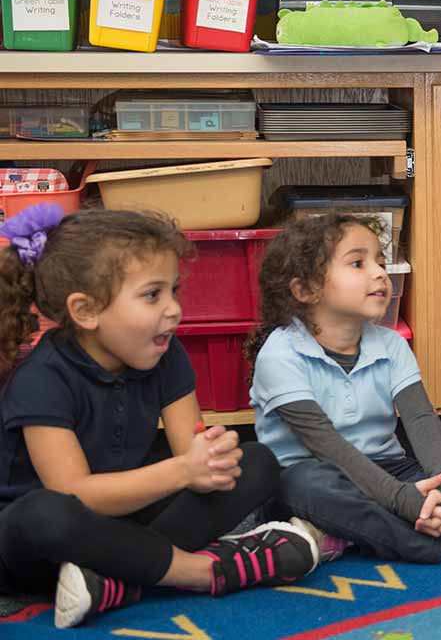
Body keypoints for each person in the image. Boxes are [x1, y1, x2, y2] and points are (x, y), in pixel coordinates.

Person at [0, 206, 318, 630]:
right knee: (44, 513)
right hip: (43, 545)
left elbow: (192, 452)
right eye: (153, 295)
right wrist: (183, 471)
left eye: (174, 291)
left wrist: (211, 459)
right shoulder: (41, 378)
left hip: (122, 519)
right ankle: (202, 572)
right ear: (86, 310)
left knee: (256, 461)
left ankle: (117, 580)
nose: (173, 310)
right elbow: (75, 493)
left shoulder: (165, 353)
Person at [248, 213, 441, 564]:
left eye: (381, 261)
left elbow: (421, 421)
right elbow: (327, 446)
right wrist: (404, 501)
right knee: (308, 484)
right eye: (358, 263)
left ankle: (338, 537)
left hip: (389, 469)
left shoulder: (391, 345)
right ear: (305, 290)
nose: (380, 273)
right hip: (315, 472)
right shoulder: (280, 354)